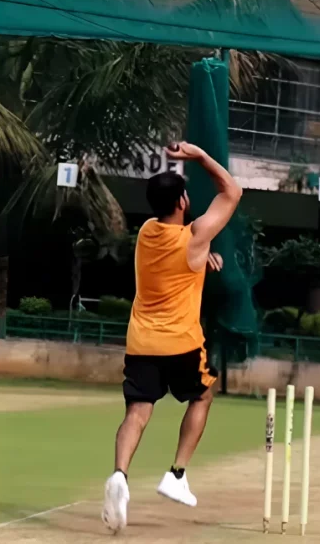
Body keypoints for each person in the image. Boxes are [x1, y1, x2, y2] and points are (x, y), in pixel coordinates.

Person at [102, 142, 242, 533]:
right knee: (202, 395)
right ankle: (177, 475)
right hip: (180, 343)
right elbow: (232, 192)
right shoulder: (194, 237)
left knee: (137, 413)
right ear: (182, 200)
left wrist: (203, 261)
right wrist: (200, 158)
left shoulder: (147, 232)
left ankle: (119, 475)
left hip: (141, 341)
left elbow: (181, 261)